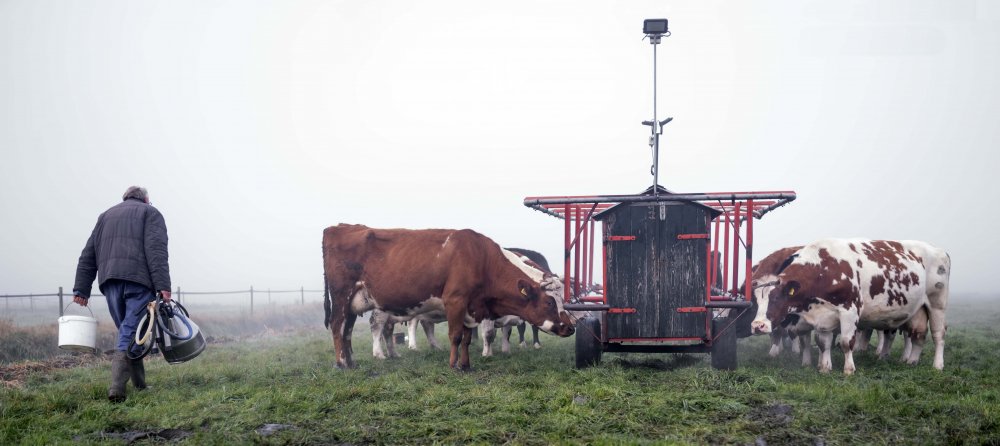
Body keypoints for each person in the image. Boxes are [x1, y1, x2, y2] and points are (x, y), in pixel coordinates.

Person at [72, 186, 172, 403]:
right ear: (145, 199)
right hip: (138, 281)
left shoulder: (105, 216)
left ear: (125, 198)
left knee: (130, 330)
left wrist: (81, 289)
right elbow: (156, 251)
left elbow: (88, 254)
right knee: (130, 332)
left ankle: (140, 384)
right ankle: (117, 387)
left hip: (110, 282)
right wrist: (163, 285)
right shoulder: (150, 212)